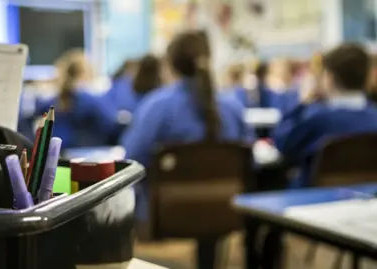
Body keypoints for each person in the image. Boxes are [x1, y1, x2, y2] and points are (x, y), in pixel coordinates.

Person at [121, 30, 254, 269]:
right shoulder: (234, 107)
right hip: (225, 210)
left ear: (171, 65)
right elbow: (249, 158)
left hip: (165, 214)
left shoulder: (156, 107)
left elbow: (131, 160)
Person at [272, 43, 377, 188]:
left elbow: (282, 143)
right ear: (367, 78)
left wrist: (303, 102)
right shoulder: (373, 117)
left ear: (329, 78)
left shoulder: (319, 119)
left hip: (312, 201)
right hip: (368, 198)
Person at [21, 49, 118, 149]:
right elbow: (110, 123)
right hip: (86, 153)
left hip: (57, 153)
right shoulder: (90, 99)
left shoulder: (52, 100)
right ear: (85, 72)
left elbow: (28, 121)